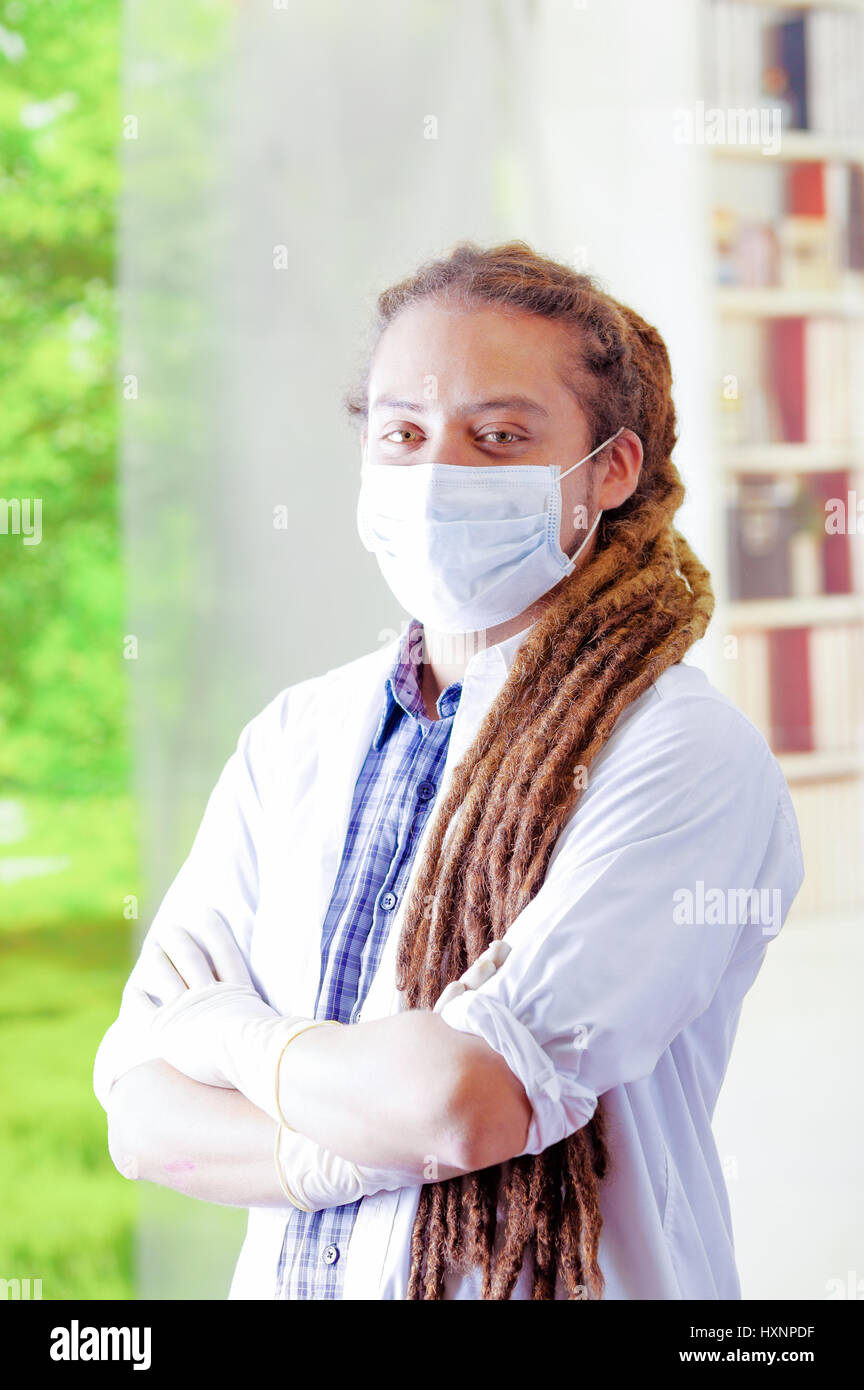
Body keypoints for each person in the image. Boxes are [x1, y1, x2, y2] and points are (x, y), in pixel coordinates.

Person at [94, 241, 803, 1300]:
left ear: (609, 468)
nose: (438, 475)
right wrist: (338, 1149)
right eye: (406, 434)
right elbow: (144, 1120)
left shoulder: (679, 752)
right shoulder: (294, 736)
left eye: (500, 435)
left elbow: (466, 1099)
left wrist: (223, 1033)